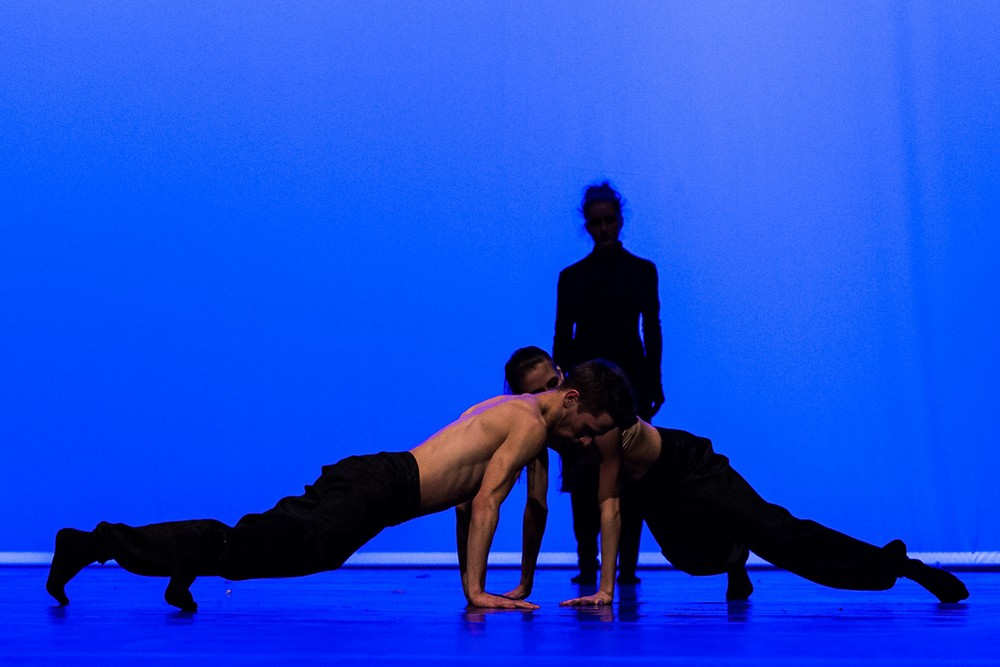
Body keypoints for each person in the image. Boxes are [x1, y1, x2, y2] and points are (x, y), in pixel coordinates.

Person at [45, 360, 637, 612]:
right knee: (249, 549)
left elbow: (464, 503)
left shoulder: (506, 408)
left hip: (370, 475)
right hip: (378, 490)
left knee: (255, 540)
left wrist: (471, 583)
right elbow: (486, 503)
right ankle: (97, 543)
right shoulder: (530, 426)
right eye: (591, 428)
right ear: (573, 399)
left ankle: (181, 567)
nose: (588, 442)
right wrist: (477, 592)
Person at [502, 351, 970, 606]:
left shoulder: (593, 408)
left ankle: (899, 566)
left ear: (562, 376)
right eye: (536, 392)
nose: (550, 394)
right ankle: (734, 556)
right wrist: (523, 584)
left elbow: (610, 506)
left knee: (781, 536)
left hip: (690, 469)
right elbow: (535, 506)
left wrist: (605, 591)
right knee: (692, 560)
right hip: (654, 494)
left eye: (553, 381)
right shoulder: (539, 430)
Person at [553, 182, 661, 584]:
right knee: (583, 476)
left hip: (629, 383)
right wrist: (560, 388)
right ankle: (588, 564)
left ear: (619, 220)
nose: (603, 228)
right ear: (587, 224)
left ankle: (624, 567)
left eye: (609, 220)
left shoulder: (641, 271)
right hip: (586, 384)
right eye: (596, 222)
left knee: (630, 472)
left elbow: (652, 330)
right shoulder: (572, 278)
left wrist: (653, 383)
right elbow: (562, 336)